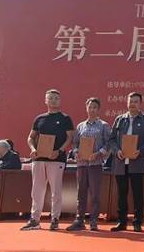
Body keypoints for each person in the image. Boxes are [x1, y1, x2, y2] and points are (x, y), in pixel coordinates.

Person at [21, 89, 75, 231]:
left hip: (56, 159)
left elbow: (70, 137)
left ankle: (55, 219)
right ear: (45, 100)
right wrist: (33, 149)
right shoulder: (39, 118)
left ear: (60, 100)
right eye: (50, 98)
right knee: (37, 190)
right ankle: (35, 219)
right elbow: (31, 137)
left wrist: (59, 151)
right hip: (39, 159)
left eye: (56, 98)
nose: (53, 100)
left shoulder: (65, 118)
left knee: (56, 190)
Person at [108, 92, 144, 232]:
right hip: (121, 162)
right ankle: (122, 222)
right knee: (121, 194)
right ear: (127, 103)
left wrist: (140, 151)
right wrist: (117, 151)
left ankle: (137, 222)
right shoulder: (120, 119)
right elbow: (112, 139)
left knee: (137, 194)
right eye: (131, 101)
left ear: (140, 104)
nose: (132, 104)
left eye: (135, 101)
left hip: (137, 162)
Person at [69, 97, 111, 232]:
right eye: (90, 107)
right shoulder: (80, 126)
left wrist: (98, 153)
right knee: (81, 193)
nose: (92, 109)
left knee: (95, 194)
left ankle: (93, 220)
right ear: (86, 108)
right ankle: (79, 220)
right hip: (82, 164)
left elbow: (109, 143)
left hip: (95, 164)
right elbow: (75, 143)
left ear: (98, 109)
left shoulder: (103, 125)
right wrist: (76, 152)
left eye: (95, 107)